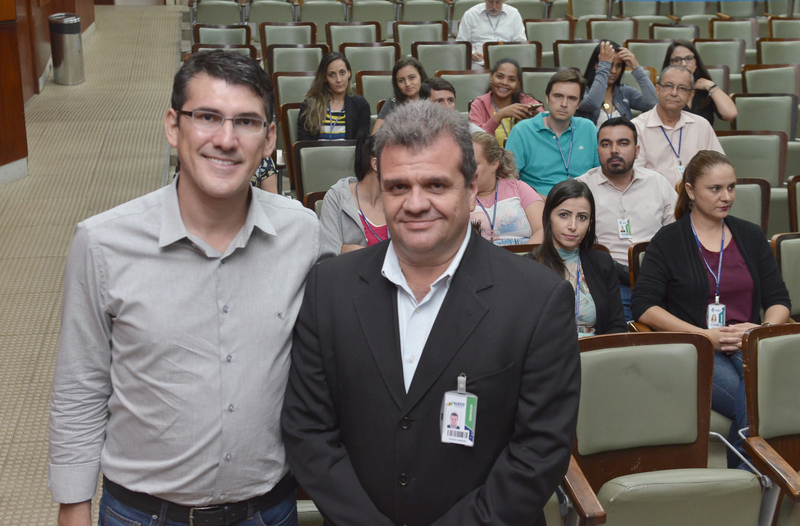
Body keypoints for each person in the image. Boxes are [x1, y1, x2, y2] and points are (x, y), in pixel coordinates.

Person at [48, 51, 325, 526]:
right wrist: (73, 506)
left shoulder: (302, 234)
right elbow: (81, 386)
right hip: (142, 514)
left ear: (269, 139)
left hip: (267, 511)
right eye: (207, 117)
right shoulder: (102, 243)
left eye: (246, 122)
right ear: (174, 126)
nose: (226, 140)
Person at [282, 101, 580, 526]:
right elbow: (308, 431)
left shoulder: (539, 299)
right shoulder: (328, 288)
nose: (416, 203)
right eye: (398, 187)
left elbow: (540, 449)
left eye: (436, 185)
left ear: (471, 188)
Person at [632, 150, 790, 467]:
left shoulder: (750, 235)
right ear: (690, 191)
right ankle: (755, 478)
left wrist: (760, 331)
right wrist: (704, 336)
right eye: (715, 189)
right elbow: (644, 306)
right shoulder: (669, 239)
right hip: (696, 348)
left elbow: (778, 299)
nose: (726, 197)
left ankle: (747, 481)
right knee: (758, 399)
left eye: (731, 187)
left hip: (748, 343)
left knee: (756, 391)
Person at [576, 117, 677, 321]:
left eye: (623, 143)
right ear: (598, 151)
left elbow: (677, 235)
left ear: (637, 150)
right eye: (606, 144)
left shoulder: (657, 183)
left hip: (657, 278)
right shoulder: (582, 189)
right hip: (606, 280)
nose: (614, 150)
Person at [531, 179, 627, 337]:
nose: (573, 226)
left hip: (598, 350)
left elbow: (617, 325)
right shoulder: (528, 266)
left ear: (590, 222)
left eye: (582, 217)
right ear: (548, 216)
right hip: (549, 351)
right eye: (564, 215)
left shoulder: (602, 262)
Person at [506, 68, 599, 196]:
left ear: (579, 104)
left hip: (583, 201)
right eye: (558, 96)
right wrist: (543, 201)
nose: (564, 104)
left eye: (572, 99)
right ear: (547, 98)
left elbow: (602, 174)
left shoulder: (588, 128)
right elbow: (509, 181)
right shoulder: (522, 131)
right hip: (538, 202)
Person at [632, 65, 724, 187]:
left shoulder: (701, 126)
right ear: (658, 90)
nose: (674, 93)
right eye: (668, 86)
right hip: (653, 197)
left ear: (690, 95)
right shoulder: (637, 127)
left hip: (695, 197)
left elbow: (718, 168)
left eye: (682, 88)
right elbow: (635, 176)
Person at [470, 131, 544, 245]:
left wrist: (526, 255)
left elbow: (543, 230)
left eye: (473, 164)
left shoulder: (518, 188)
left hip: (525, 254)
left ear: (494, 164)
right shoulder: (458, 195)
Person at [319, 135, 386, 255]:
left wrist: (352, 252)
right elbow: (328, 255)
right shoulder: (337, 197)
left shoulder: (399, 198)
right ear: (375, 165)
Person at [576, 40, 657, 125]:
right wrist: (604, 66)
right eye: (609, 64)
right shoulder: (580, 90)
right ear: (596, 65)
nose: (614, 71)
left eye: (618, 66)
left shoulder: (624, 91)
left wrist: (636, 68)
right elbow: (593, 103)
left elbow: (653, 105)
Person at [297, 52, 371, 142]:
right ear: (325, 78)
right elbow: (304, 143)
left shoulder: (360, 105)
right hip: (316, 151)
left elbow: (361, 143)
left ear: (349, 73)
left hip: (349, 152)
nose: (338, 80)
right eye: (332, 74)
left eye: (342, 73)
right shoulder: (309, 104)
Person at [662, 40, 737, 125]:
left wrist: (710, 86)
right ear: (669, 64)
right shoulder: (663, 90)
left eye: (689, 59)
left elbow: (730, 114)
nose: (684, 64)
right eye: (677, 60)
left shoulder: (704, 90)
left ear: (696, 63)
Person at [469, 58, 542, 147]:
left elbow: (547, 131)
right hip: (491, 155)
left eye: (511, 79)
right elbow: (476, 142)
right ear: (491, 76)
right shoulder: (479, 104)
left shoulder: (527, 101)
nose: (504, 82)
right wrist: (500, 115)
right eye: (500, 77)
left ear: (518, 83)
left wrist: (536, 117)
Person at [455, 0, 526, 67]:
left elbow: (521, 43)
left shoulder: (514, 14)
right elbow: (461, 43)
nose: (494, 6)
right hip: (478, 63)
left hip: (507, 63)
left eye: (498, 2)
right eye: (490, 2)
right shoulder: (471, 14)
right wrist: (471, 53)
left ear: (503, 1)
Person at [372, 57, 428, 134]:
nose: (407, 84)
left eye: (412, 77)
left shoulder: (432, 98)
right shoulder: (393, 102)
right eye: (401, 80)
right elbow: (375, 135)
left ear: (421, 77)